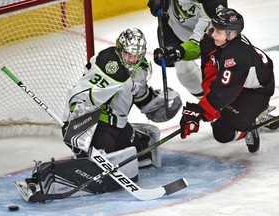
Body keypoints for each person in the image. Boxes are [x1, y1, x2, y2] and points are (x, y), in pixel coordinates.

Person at [14, 28, 183, 200]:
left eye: (136, 55)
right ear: (119, 50)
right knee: (98, 167)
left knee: (142, 151)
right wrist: (77, 128)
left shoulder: (141, 68)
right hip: (98, 125)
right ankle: (44, 180)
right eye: (128, 55)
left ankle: (136, 137)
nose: (132, 60)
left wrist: (159, 105)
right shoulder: (109, 64)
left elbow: (141, 96)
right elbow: (81, 95)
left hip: (119, 124)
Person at [178, 8, 275, 153]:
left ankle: (251, 122)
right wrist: (205, 105)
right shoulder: (211, 40)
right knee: (216, 113)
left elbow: (223, 93)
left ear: (231, 34)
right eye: (213, 28)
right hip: (234, 83)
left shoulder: (236, 55)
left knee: (223, 133)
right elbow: (209, 70)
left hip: (256, 91)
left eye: (219, 31)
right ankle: (244, 118)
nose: (213, 33)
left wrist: (200, 112)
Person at [148, 0, 228, 98]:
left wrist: (178, 52)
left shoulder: (214, 4)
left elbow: (197, 45)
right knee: (185, 73)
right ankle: (206, 102)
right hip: (175, 31)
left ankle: (221, 104)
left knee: (224, 70)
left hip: (208, 38)